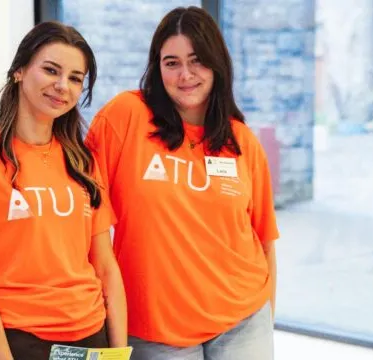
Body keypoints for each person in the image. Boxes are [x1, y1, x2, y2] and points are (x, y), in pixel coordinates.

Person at [86, 6, 279, 360]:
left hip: (242, 321)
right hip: (155, 328)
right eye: (171, 62)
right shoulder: (125, 117)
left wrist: (267, 315)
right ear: (157, 67)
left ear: (217, 64)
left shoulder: (241, 141)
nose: (185, 74)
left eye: (197, 61)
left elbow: (264, 241)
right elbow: (81, 213)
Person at [0, 21, 127, 360]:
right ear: (20, 71)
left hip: (92, 336)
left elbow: (106, 268)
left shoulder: (83, 163)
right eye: (51, 70)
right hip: (18, 340)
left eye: (75, 78)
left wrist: (120, 351)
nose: (61, 86)